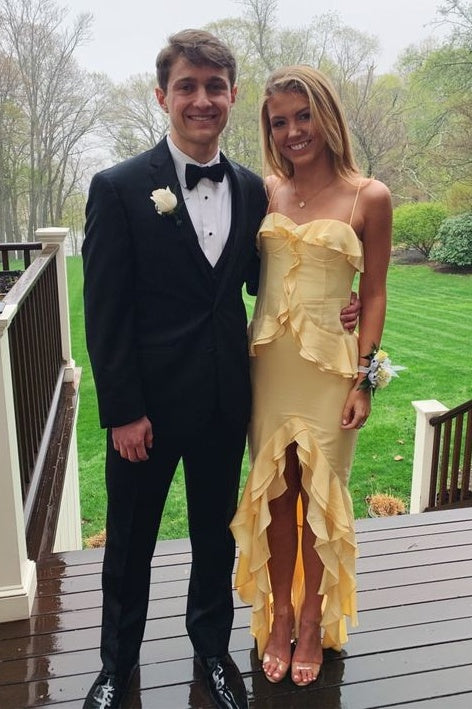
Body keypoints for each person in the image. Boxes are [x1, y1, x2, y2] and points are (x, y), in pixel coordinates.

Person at [82, 32, 360, 709]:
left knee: (215, 537)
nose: (201, 100)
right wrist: (123, 409)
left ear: (233, 95)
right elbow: (104, 312)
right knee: (130, 545)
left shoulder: (251, 188)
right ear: (163, 96)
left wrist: (337, 300)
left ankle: (211, 652)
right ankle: (116, 666)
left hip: (224, 401)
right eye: (187, 86)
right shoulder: (119, 187)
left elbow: (268, 280)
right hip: (145, 411)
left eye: (215, 87)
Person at [231, 65, 392, 688]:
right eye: (280, 121)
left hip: (331, 370)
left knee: (322, 495)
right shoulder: (265, 192)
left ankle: (310, 621)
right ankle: (277, 618)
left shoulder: (368, 196)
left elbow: (373, 294)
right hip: (269, 364)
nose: (293, 131)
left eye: (304, 116)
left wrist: (364, 379)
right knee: (277, 493)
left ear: (327, 117)